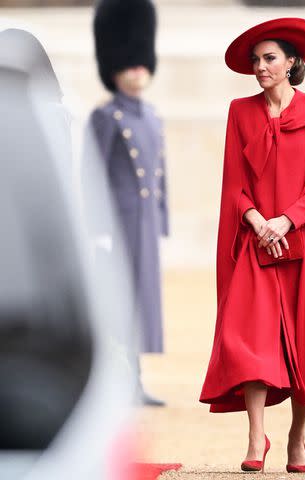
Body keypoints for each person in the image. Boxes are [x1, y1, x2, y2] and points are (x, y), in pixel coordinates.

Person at [200, 17, 305, 473]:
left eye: (269, 58)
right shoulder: (240, 111)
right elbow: (233, 181)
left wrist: (285, 221)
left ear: (293, 62)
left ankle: (297, 437)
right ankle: (257, 436)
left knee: (304, 345)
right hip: (256, 242)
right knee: (247, 339)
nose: (260, 67)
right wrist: (257, 222)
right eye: (256, 60)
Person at [87, 0, 169, 406]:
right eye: (130, 64)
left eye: (141, 63)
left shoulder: (152, 116)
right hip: (116, 224)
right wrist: (96, 229)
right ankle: (116, 381)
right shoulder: (106, 118)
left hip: (145, 225)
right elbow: (92, 173)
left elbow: (160, 175)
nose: (138, 70)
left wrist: (162, 221)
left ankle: (135, 379)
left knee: (142, 302)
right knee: (118, 300)